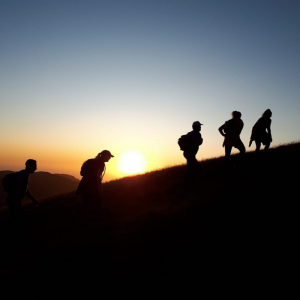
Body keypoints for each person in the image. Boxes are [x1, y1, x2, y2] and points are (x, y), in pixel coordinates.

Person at [6, 159, 39, 234]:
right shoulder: (23, 175)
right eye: (34, 166)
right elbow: (16, 186)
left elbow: (25, 190)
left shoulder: (23, 174)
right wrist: (13, 199)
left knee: (16, 219)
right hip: (14, 201)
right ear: (29, 166)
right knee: (17, 220)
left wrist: (33, 200)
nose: (36, 168)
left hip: (13, 200)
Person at [183, 121, 203, 186]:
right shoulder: (197, 134)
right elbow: (197, 143)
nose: (200, 127)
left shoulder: (190, 133)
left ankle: (188, 182)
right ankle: (189, 183)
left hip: (186, 152)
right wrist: (201, 141)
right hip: (190, 153)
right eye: (199, 126)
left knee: (191, 167)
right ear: (197, 127)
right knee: (196, 167)